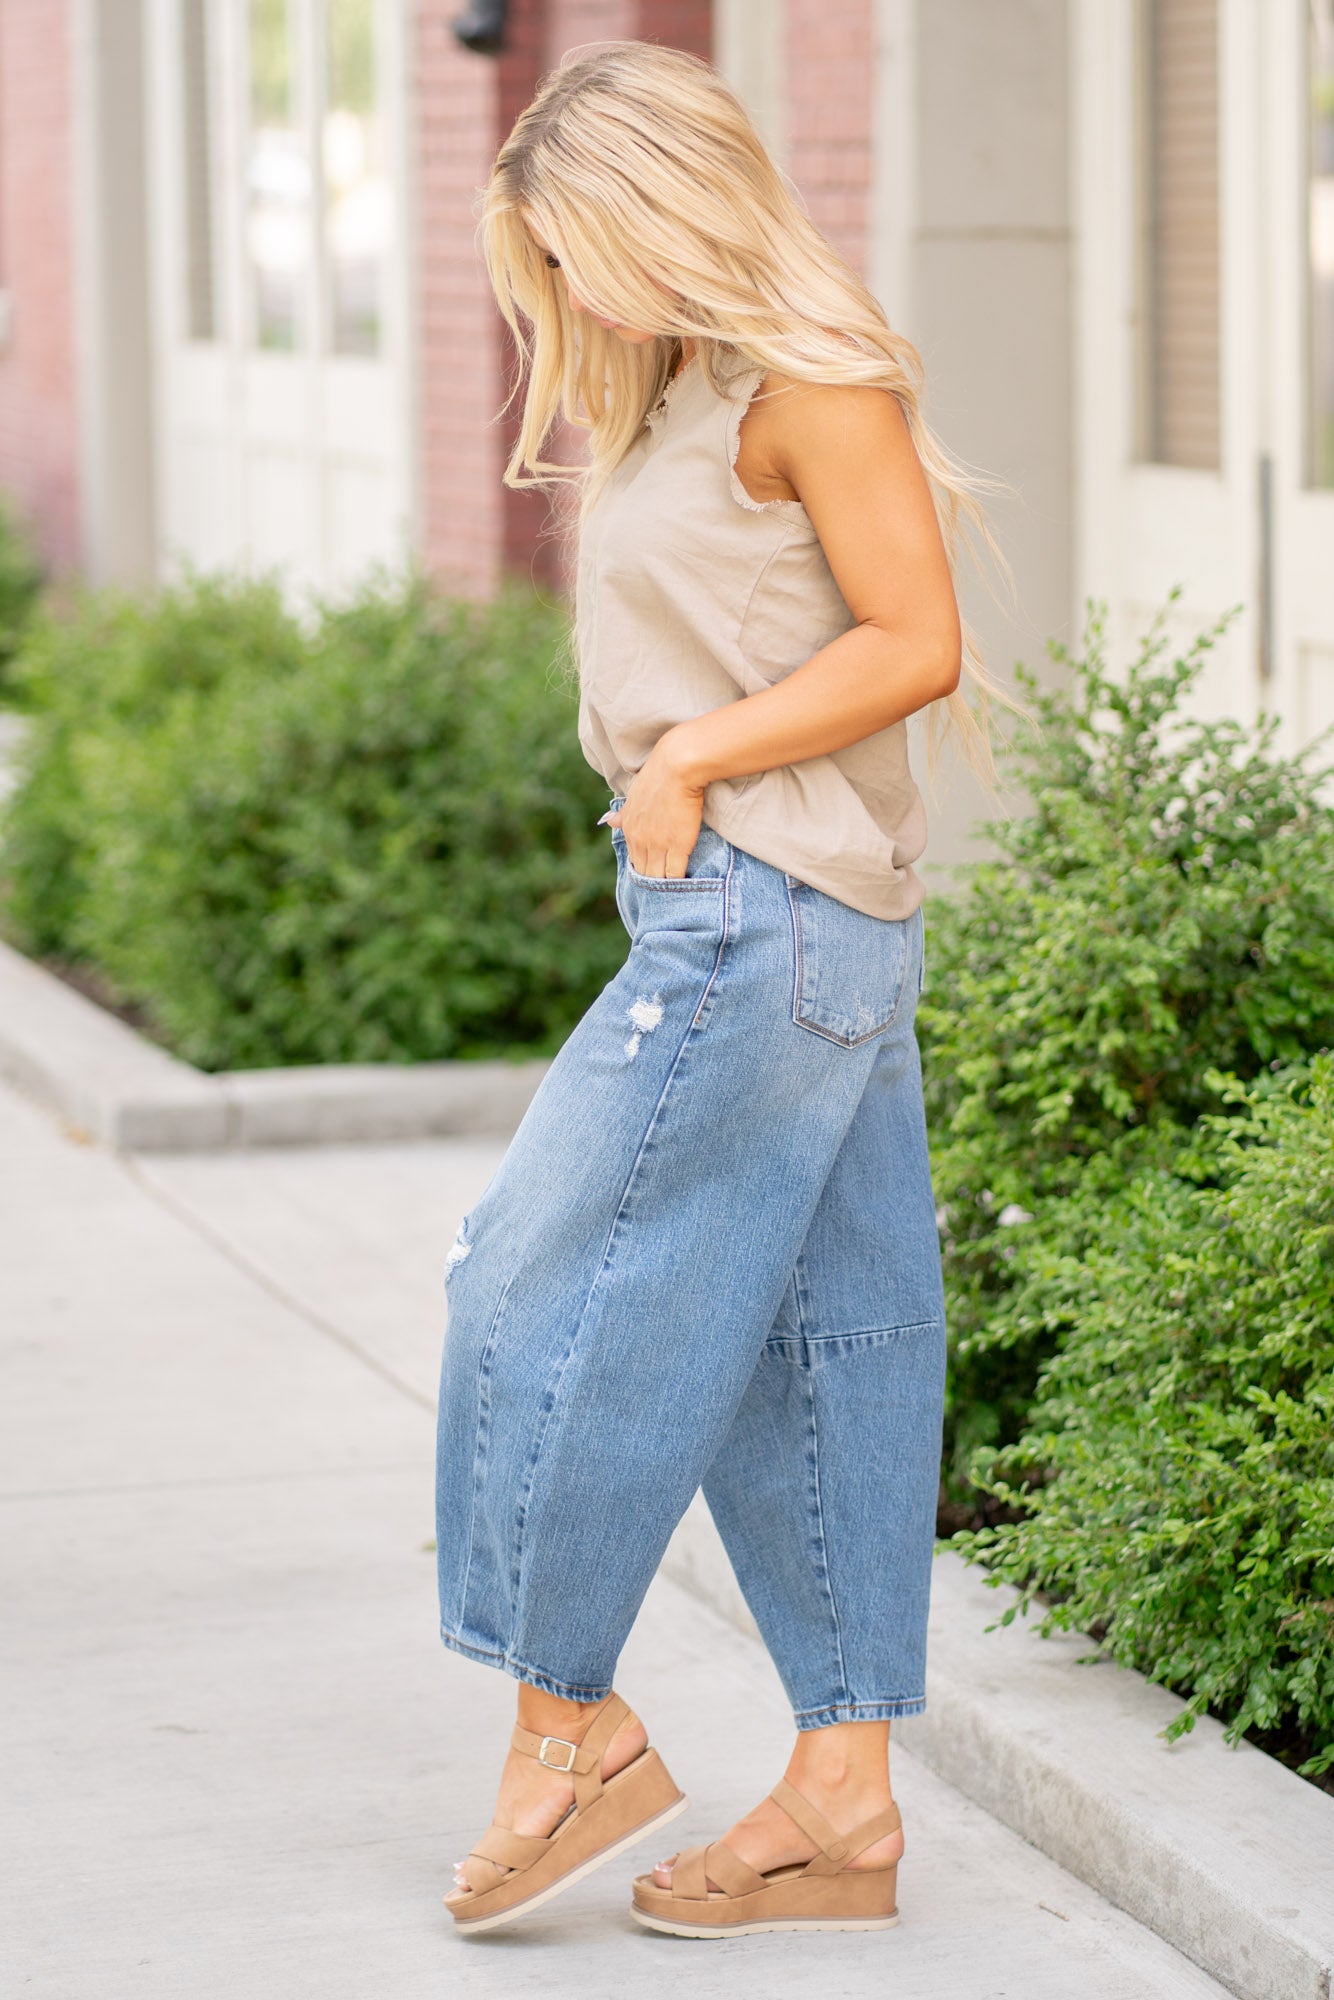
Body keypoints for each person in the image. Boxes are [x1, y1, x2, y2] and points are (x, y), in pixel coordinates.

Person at [436, 39, 1005, 1941]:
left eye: (581, 254)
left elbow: (916, 640)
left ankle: (566, 1722)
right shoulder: (681, 387)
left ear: (668, 212)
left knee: (530, 1281)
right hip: (784, 916)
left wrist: (686, 759)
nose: (571, 297)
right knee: (823, 1340)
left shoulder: (806, 382)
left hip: (762, 915)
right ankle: (842, 1801)